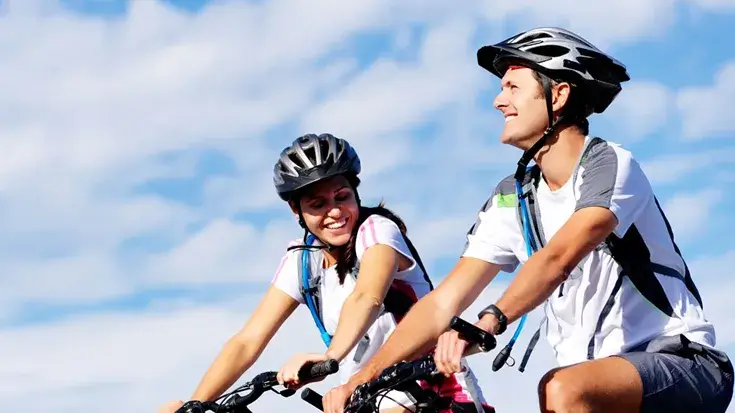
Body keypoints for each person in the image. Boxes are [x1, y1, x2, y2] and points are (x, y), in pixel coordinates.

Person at [322, 27, 735, 413]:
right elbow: (442, 303)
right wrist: (363, 378)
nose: (499, 101)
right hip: (592, 383)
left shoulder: (609, 165)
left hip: (684, 363)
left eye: (512, 88)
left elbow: (558, 258)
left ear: (558, 96)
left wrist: (489, 319)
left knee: (560, 389)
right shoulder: (512, 197)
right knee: (560, 388)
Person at [157, 133, 494, 413]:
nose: (335, 212)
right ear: (296, 211)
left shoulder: (377, 231)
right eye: (318, 204)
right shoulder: (301, 263)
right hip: (364, 399)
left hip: (434, 394)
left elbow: (368, 297)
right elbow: (248, 340)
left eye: (342, 196)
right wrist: (195, 404)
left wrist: (330, 358)